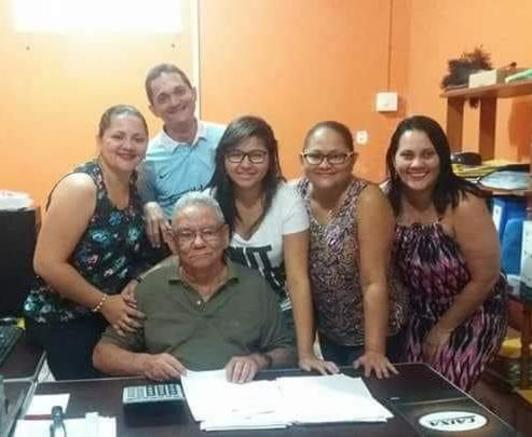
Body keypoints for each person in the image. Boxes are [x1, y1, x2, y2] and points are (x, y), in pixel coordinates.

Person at [93, 192, 296, 383]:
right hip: (172, 396)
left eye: (208, 232)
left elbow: (288, 352)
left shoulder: (254, 286)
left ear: (225, 236)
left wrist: (258, 361)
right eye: (186, 235)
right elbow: (102, 355)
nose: (198, 243)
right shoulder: (150, 289)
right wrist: (145, 363)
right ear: (172, 241)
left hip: (239, 396)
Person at [23, 105, 154, 380]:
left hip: (108, 311)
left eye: (138, 138)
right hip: (63, 318)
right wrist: (104, 303)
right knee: (93, 396)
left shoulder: (133, 182)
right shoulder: (82, 187)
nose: (128, 145)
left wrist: (136, 281)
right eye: (118, 136)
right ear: (99, 140)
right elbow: (46, 263)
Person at [206, 116, 338, 375]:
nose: (246, 164)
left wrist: (306, 352)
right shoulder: (210, 201)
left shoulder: (287, 201)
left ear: (270, 158)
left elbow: (298, 279)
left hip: (278, 315)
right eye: (236, 155)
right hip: (227, 314)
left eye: (257, 155)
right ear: (223, 158)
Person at [385, 115, 508, 391]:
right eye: (407, 155)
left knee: (440, 389)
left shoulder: (464, 203)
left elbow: (486, 277)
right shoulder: (386, 199)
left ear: (442, 158)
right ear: (394, 159)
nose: (417, 164)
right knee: (407, 387)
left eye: (428, 154)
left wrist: (443, 329)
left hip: (473, 310)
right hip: (418, 312)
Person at [297, 121, 408, 378]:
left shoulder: (368, 199)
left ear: (352, 159)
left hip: (376, 333)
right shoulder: (295, 195)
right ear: (302, 158)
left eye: (336, 156)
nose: (325, 164)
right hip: (331, 331)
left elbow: (374, 281)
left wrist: (375, 350)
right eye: (315, 155)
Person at [137, 63, 225, 250]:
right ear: (153, 109)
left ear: (193, 93)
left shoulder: (226, 138)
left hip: (230, 242)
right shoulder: (146, 159)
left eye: (179, 91)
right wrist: (148, 204)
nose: (174, 102)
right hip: (181, 254)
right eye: (163, 98)